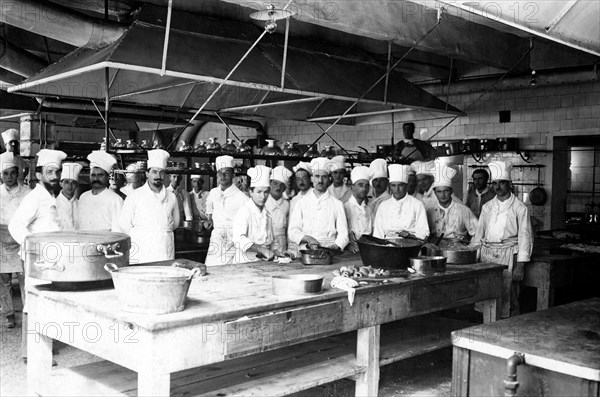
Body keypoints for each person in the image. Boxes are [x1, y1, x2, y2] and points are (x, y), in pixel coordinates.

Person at [8, 149, 66, 361]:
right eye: (49, 172)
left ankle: (41, 350)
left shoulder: (50, 196)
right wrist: (34, 247)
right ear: (39, 174)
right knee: (34, 303)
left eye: (57, 172)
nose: (55, 176)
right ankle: (31, 353)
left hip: (50, 260)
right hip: (38, 260)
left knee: (45, 303)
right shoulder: (35, 197)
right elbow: (16, 225)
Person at [470, 161, 533, 317]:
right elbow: (479, 234)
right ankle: (486, 327)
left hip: (507, 256)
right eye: (495, 183)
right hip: (487, 256)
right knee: (485, 294)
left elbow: (525, 236)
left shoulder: (520, 207)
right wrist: (471, 256)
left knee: (508, 296)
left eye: (502, 183)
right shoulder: (488, 207)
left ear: (509, 184)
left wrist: (521, 266)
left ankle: (509, 329)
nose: (497, 187)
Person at [119, 149, 180, 264]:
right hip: (143, 250)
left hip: (165, 249)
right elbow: (124, 224)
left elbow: (176, 223)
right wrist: (143, 235)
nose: (158, 176)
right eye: (154, 172)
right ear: (147, 174)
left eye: (161, 172)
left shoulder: (171, 197)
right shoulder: (134, 196)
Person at [288, 157, 349, 253]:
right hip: (306, 251)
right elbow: (292, 231)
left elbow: (344, 234)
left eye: (324, 177)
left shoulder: (337, 204)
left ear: (329, 179)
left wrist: (336, 245)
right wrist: (308, 238)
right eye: (317, 176)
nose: (320, 180)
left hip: (329, 251)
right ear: (312, 178)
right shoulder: (301, 203)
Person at [0, 152, 30, 329]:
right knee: (3, 281)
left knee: (24, 279)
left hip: (20, 240)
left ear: (18, 173)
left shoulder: (27, 193)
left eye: (12, 173)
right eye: (5, 173)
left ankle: (28, 313)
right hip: (1, 240)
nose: (9, 177)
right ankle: (8, 314)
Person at [204, 155, 249, 266]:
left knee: (229, 272)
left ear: (233, 175)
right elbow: (209, 206)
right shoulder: (213, 193)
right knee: (211, 269)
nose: (223, 176)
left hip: (232, 241)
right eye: (220, 173)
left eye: (227, 173)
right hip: (216, 239)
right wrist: (209, 219)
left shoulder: (242, 198)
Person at [231, 165, 275, 263]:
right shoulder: (244, 212)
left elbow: (270, 241)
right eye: (259, 192)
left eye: (266, 192)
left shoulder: (268, 214)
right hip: (244, 264)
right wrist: (262, 250)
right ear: (251, 192)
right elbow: (238, 239)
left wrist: (275, 251)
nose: (263, 196)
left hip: (262, 264)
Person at [373, 164, 429, 240]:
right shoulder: (383, 205)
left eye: (400, 185)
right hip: (387, 247)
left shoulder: (417, 204)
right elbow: (377, 233)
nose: (397, 189)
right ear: (389, 186)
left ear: (406, 185)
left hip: (410, 246)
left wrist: (410, 236)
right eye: (393, 185)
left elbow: (424, 232)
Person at [426, 162, 477, 242]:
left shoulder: (463, 210)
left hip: (458, 250)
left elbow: (477, 232)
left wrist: (470, 247)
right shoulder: (429, 211)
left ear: (451, 191)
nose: (443, 195)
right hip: (435, 250)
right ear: (435, 193)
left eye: (445, 191)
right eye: (439, 192)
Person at [77, 151, 123, 231]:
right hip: (83, 240)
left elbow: (118, 229)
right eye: (93, 175)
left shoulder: (115, 199)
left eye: (100, 175)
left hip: (105, 241)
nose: (96, 179)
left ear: (107, 177)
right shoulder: (83, 197)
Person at [344, 166, 373, 253]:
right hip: (349, 252)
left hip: (368, 250)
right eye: (360, 185)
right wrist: (349, 245)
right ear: (352, 186)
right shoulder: (344, 207)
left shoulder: (370, 209)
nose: (364, 189)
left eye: (366, 186)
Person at [266, 165, 292, 254]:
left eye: (281, 185)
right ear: (269, 184)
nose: (278, 187)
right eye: (275, 183)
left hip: (282, 244)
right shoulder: (263, 201)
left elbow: (289, 228)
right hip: (266, 243)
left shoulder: (287, 204)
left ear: (284, 188)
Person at [56, 162, 82, 231]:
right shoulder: (53, 204)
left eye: (73, 183)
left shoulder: (81, 205)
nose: (70, 186)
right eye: (67, 182)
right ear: (61, 184)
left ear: (76, 185)